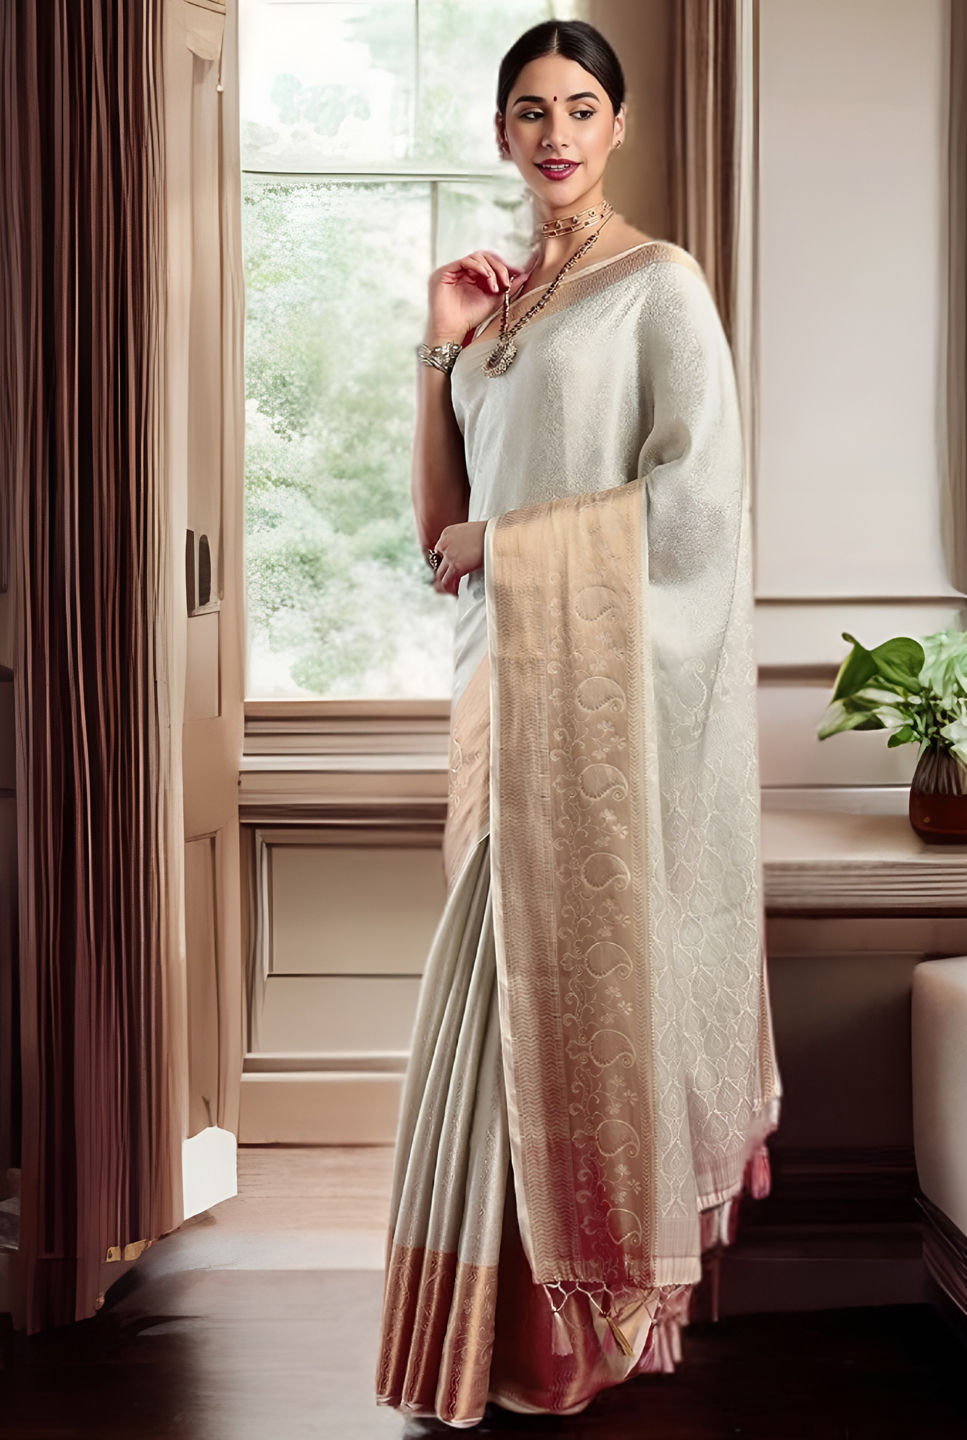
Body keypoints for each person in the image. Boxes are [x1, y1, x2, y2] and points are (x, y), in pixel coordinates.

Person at [375, 17, 781, 1427]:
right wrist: (438, 347)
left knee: (545, 995)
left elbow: (700, 509)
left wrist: (512, 546)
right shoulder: (498, 313)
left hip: (594, 706)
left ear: (619, 126)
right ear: (502, 133)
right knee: (498, 995)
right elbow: (438, 532)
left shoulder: (657, 286)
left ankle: (557, 1340)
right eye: (532, 112)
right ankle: (471, 1326)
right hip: (497, 686)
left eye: (582, 108)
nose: (556, 135)